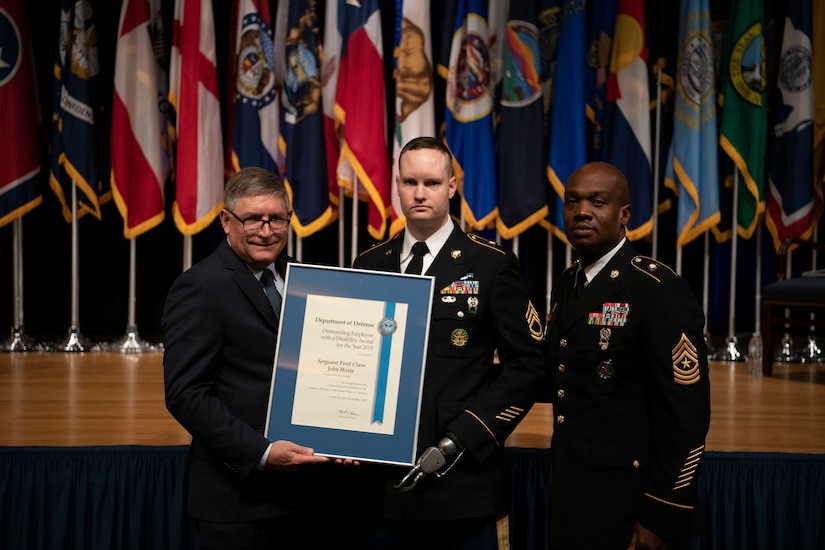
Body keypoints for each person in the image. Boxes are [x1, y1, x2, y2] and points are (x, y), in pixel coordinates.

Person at [353, 136, 546, 549]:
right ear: (396, 186)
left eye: (432, 182)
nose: (419, 193)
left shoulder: (491, 265)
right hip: (378, 483)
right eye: (409, 182)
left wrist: (464, 436)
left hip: (460, 479)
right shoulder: (369, 264)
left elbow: (527, 366)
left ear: (452, 186)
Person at [162, 167, 352, 549]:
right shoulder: (199, 287)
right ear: (226, 221)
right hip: (240, 501)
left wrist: (351, 435)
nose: (266, 231)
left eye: (276, 219)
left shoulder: (309, 278)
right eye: (253, 219)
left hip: (314, 497)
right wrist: (261, 452)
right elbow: (186, 395)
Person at [544, 161, 711, 549]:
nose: (582, 211)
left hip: (630, 503)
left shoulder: (656, 289)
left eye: (598, 202)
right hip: (573, 492)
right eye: (572, 202)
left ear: (625, 216)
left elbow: (686, 415)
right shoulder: (570, 281)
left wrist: (662, 512)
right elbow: (559, 374)